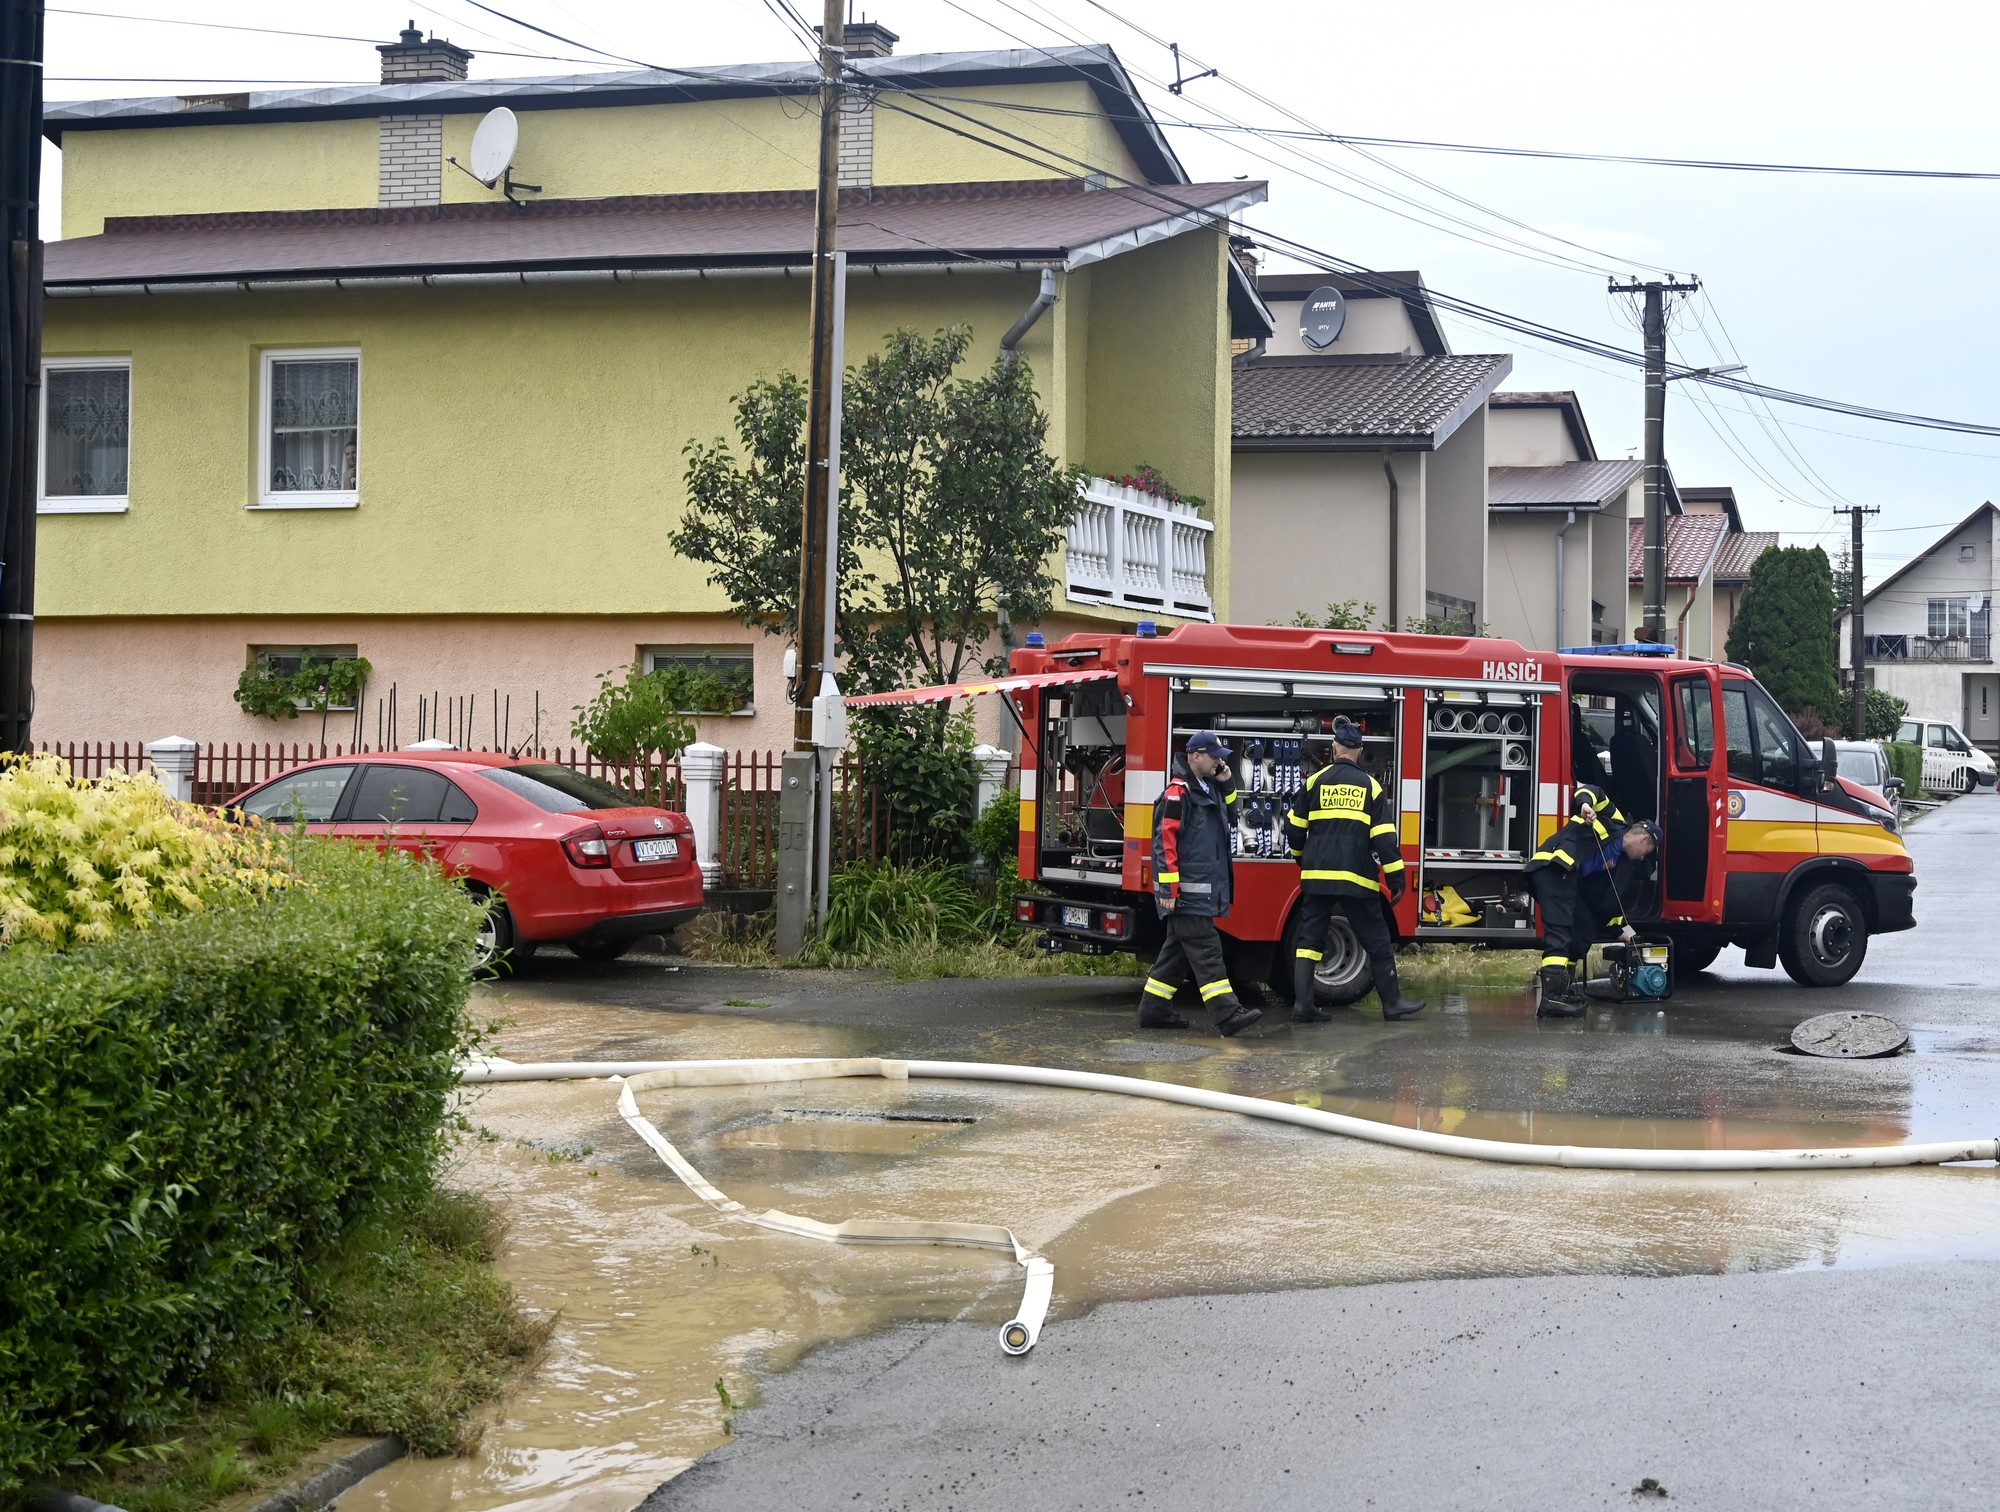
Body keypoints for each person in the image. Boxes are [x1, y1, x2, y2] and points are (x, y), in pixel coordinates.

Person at [1285, 719, 1425, 1022]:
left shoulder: (1314, 782)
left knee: (1309, 940)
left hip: (1317, 876)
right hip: (1357, 878)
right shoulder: (1371, 787)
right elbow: (1384, 838)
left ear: (1334, 748)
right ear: (1360, 752)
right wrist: (1396, 878)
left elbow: (1294, 829)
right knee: (1376, 938)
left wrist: (1301, 859)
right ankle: (1393, 1003)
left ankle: (1303, 1006)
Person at [1139, 730, 1261, 1038]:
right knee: (1207, 949)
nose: (1219, 761)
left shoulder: (1209, 788)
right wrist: (1168, 890)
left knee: (1177, 953)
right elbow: (1163, 844)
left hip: (1200, 888)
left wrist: (1228, 783)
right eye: (1214, 757)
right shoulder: (1177, 793)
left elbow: (1231, 816)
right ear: (1196, 756)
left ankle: (1153, 1009)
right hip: (1188, 891)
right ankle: (1227, 1013)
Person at [1525, 800, 1662, 1017]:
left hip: (1571, 884)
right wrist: (1585, 805)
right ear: (1643, 839)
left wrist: (1624, 932)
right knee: (1560, 932)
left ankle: (1562, 991)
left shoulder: (1622, 866)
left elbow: (1609, 904)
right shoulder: (1613, 823)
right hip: (1555, 869)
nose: (1643, 857)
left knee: (1584, 929)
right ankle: (1551, 1000)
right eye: (1647, 851)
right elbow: (1593, 792)